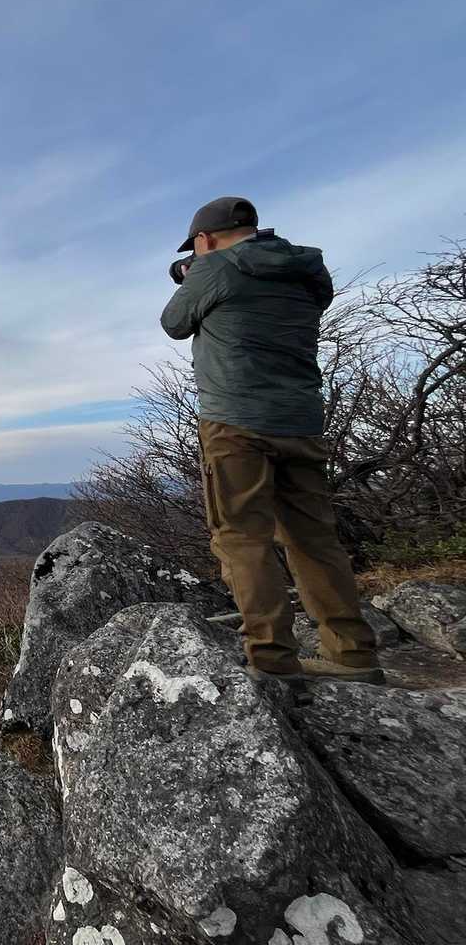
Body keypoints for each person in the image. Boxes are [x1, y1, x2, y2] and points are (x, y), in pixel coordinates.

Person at [161, 196, 383, 684]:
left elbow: (174, 323)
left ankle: (273, 661)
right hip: (301, 420)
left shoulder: (214, 268)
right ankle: (353, 654)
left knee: (242, 538)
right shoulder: (306, 272)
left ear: (204, 239)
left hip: (235, 422)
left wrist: (194, 272)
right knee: (314, 537)